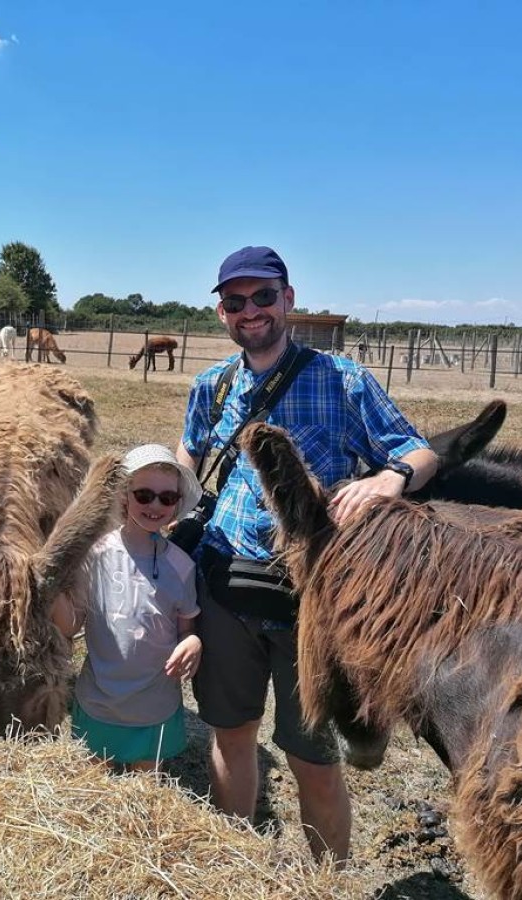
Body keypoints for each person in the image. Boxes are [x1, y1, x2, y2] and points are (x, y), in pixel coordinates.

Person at [176, 246, 439, 864]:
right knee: (232, 735)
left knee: (312, 759)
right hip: (224, 586)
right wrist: (165, 495)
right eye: (235, 301)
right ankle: (240, 865)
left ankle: (329, 880)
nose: (251, 311)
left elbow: (420, 451)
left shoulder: (344, 380)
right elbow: (190, 453)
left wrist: (391, 478)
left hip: (311, 603)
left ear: (288, 299)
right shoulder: (213, 385)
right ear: (222, 313)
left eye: (264, 297)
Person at [53, 444, 203, 773]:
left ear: (177, 504)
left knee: (145, 784)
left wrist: (193, 642)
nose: (155, 505)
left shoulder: (182, 567)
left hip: (154, 705)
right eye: (144, 495)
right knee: (94, 782)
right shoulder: (95, 555)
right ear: (124, 496)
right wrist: (51, 587)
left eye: (167, 498)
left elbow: (186, 628)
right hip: (99, 702)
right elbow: (70, 624)